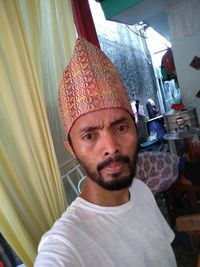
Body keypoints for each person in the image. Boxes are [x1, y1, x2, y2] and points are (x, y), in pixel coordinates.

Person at [34, 38, 177, 267]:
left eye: (121, 128)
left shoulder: (141, 191)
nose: (111, 147)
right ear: (71, 149)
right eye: (90, 136)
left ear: (135, 128)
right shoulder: (65, 245)